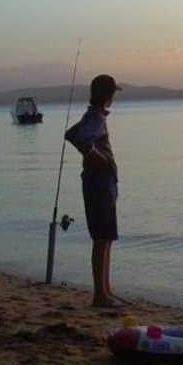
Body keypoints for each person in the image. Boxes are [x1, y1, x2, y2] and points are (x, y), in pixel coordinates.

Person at [65, 74, 123, 308]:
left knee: (106, 238)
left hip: (99, 184)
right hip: (99, 185)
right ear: (107, 96)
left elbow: (71, 134)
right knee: (102, 239)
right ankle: (100, 295)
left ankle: (105, 291)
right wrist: (100, 159)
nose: (113, 99)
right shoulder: (96, 117)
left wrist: (97, 157)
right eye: (112, 94)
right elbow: (82, 140)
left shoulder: (94, 116)